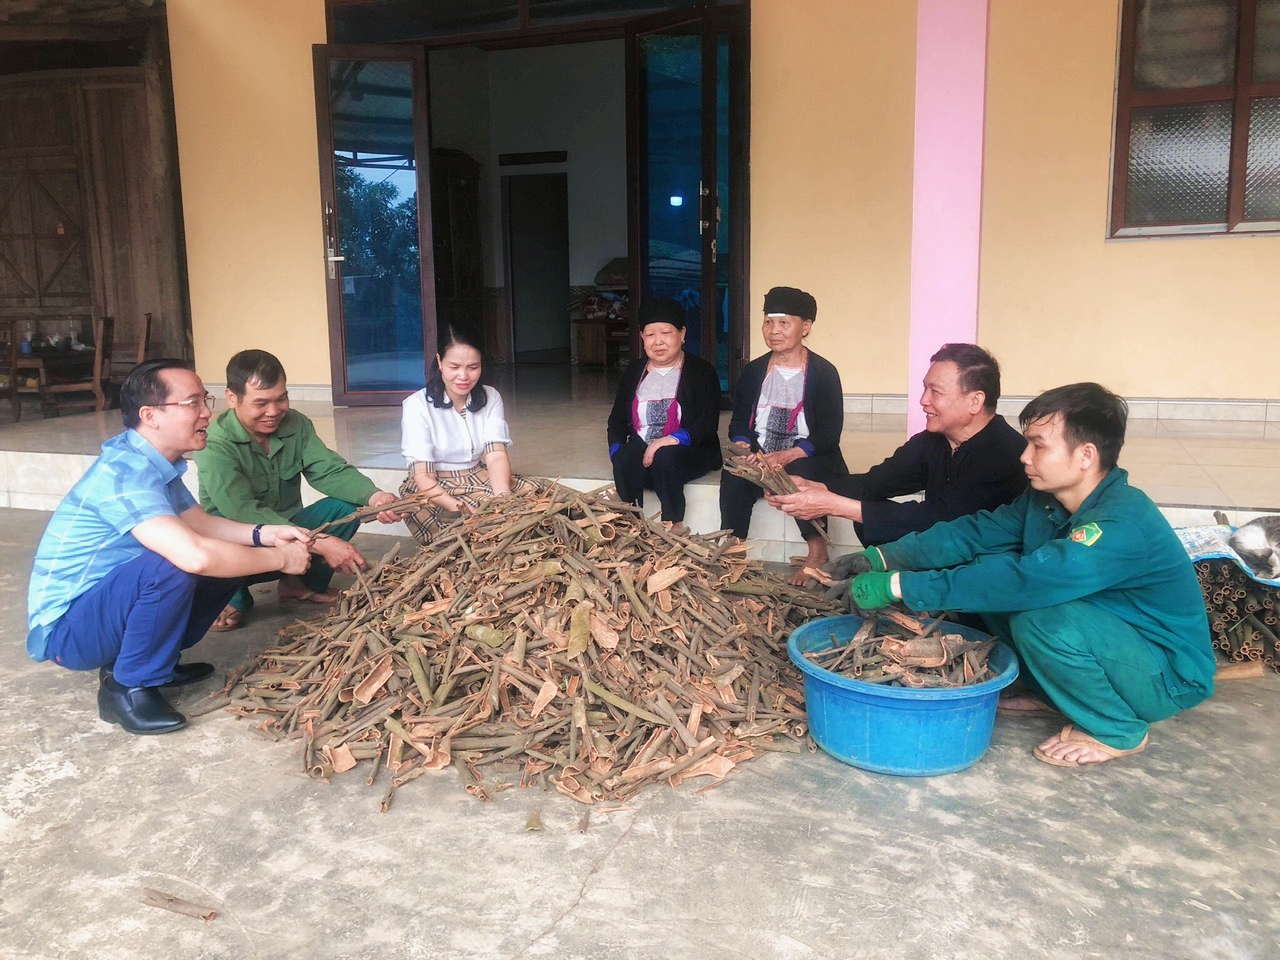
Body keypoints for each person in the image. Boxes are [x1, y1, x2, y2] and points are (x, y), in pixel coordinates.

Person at [846, 382, 1216, 768]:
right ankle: (1049, 691)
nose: (1024, 457)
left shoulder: (1121, 522)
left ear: (1086, 455)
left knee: (1040, 618)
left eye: (1039, 446)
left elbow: (1025, 581)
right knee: (984, 573)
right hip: (1111, 638)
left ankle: (1117, 728)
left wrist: (898, 586)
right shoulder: (1045, 500)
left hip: (1165, 674)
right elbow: (975, 532)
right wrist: (885, 558)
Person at [26, 359, 314, 735]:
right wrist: (281, 559)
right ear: (151, 415)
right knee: (177, 564)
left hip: (99, 611)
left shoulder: (155, 464)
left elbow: (201, 523)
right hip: (68, 632)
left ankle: (152, 659)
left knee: (223, 557)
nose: (207, 413)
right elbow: (193, 553)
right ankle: (126, 687)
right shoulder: (124, 475)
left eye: (204, 400)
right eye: (192, 403)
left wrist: (267, 534)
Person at [194, 349, 403, 631]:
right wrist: (321, 543)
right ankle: (231, 598)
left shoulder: (296, 423)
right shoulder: (214, 443)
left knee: (345, 507)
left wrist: (374, 496)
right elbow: (241, 511)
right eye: (261, 403)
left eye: (281, 398)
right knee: (220, 561)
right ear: (232, 398)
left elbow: (329, 470)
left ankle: (297, 584)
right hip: (240, 540)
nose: (274, 411)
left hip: (292, 530)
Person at [767, 343, 1026, 548]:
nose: (923, 400)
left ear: (975, 401)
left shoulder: (1004, 453)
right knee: (867, 512)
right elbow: (876, 482)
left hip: (986, 559)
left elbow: (941, 519)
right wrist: (818, 487)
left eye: (935, 391)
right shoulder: (933, 441)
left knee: (870, 515)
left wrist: (833, 505)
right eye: (924, 388)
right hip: (940, 544)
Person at [719, 285, 846, 580]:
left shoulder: (824, 373)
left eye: (784, 323)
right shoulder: (754, 371)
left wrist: (788, 454)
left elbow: (829, 433)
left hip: (806, 455)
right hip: (761, 455)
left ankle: (817, 551)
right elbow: (738, 421)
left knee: (800, 473)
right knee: (735, 473)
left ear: (806, 327)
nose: (774, 330)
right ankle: (734, 548)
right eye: (768, 322)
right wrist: (744, 447)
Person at [399, 324, 542, 544]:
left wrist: (503, 497)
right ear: (439, 362)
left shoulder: (490, 396)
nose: (463, 376)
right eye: (454, 366)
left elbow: (495, 455)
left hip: (478, 477)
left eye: (473, 367)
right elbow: (423, 476)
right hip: (434, 487)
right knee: (472, 530)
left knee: (541, 497)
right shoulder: (416, 405)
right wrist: (459, 507)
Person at [606, 298, 722, 530]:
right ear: (642, 338)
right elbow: (617, 420)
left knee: (666, 456)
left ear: (682, 334)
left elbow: (707, 424)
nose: (658, 341)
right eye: (650, 335)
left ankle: (673, 523)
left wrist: (666, 441)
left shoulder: (701, 371)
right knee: (625, 456)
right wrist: (617, 452)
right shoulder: (633, 371)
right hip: (644, 450)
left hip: (688, 450)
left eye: (666, 333)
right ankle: (631, 523)